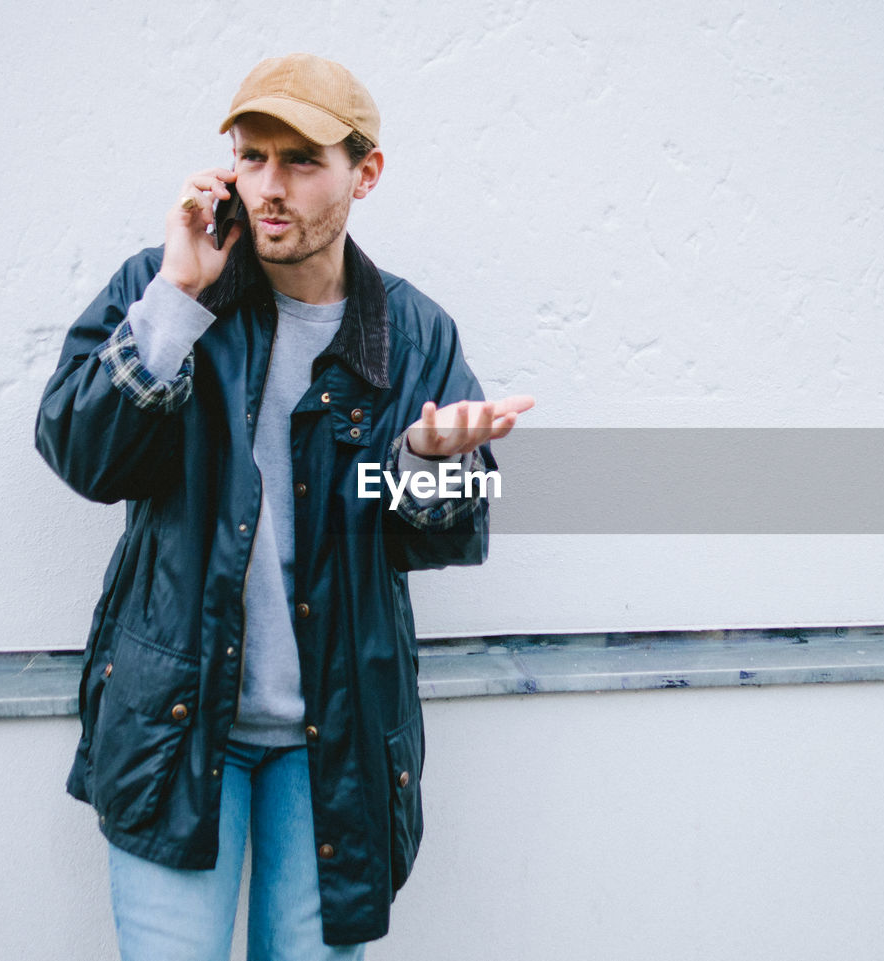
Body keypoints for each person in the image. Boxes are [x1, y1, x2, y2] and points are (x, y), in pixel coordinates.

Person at [35, 52, 533, 961]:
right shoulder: (170, 282)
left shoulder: (412, 332)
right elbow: (79, 452)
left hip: (331, 737)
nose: (271, 186)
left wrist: (424, 461)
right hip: (177, 725)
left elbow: (456, 532)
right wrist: (178, 300)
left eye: (302, 161)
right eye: (253, 157)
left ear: (364, 172)